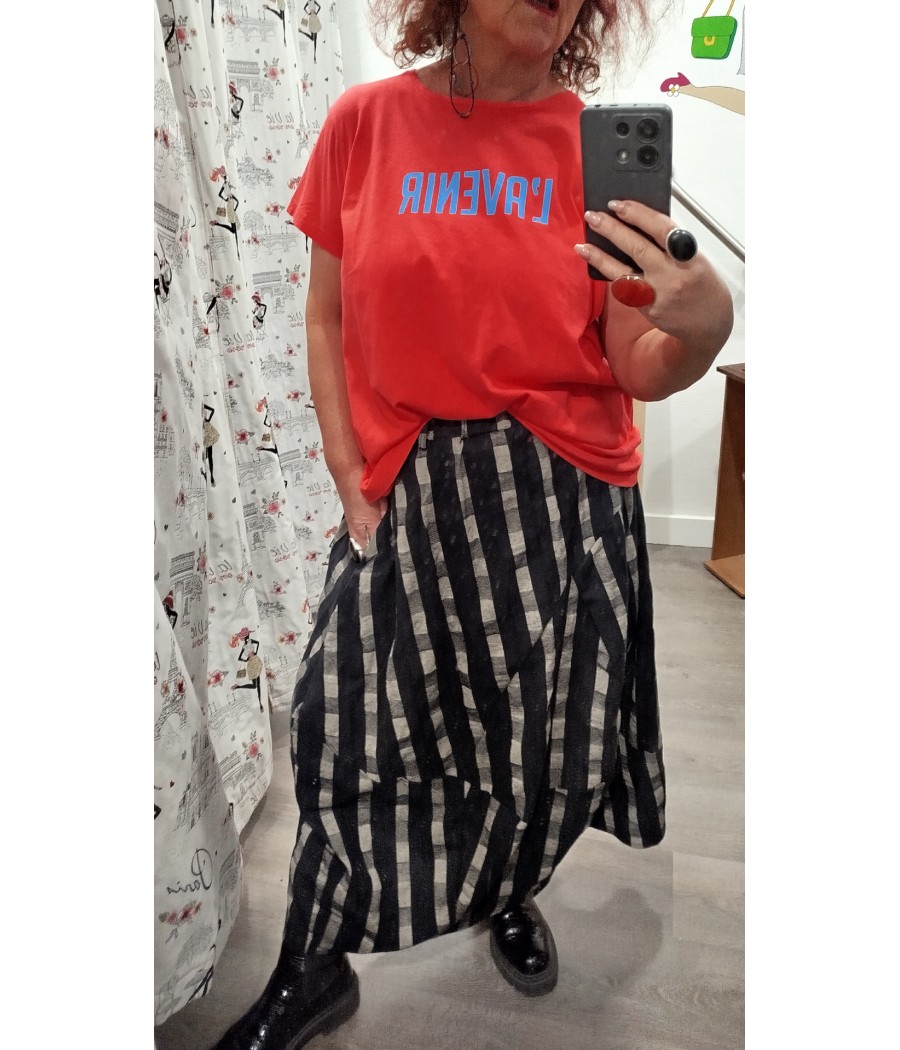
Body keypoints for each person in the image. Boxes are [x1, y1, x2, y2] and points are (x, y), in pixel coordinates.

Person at [211, 1, 733, 1047]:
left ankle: (506, 890)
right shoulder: (364, 123)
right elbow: (326, 310)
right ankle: (313, 962)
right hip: (410, 483)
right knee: (343, 729)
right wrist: (346, 468)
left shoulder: (588, 148)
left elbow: (636, 362)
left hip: (560, 493)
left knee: (526, 742)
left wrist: (705, 328)